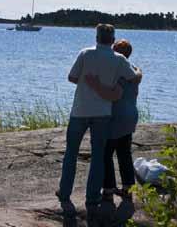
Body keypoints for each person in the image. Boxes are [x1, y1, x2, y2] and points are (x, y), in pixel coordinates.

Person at [56, 24, 142, 224]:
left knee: (71, 153)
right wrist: (138, 71)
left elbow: (72, 77)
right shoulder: (119, 60)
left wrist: (89, 84)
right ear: (112, 40)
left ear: (96, 37)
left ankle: (65, 192)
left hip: (80, 111)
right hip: (102, 114)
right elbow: (133, 78)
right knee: (98, 157)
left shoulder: (85, 54)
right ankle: (92, 198)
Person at [85, 39, 141, 202]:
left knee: (106, 154)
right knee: (124, 153)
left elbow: (111, 94)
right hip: (130, 116)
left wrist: (94, 84)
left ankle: (108, 189)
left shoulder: (116, 72)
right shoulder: (133, 71)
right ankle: (128, 188)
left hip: (115, 117)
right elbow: (138, 75)